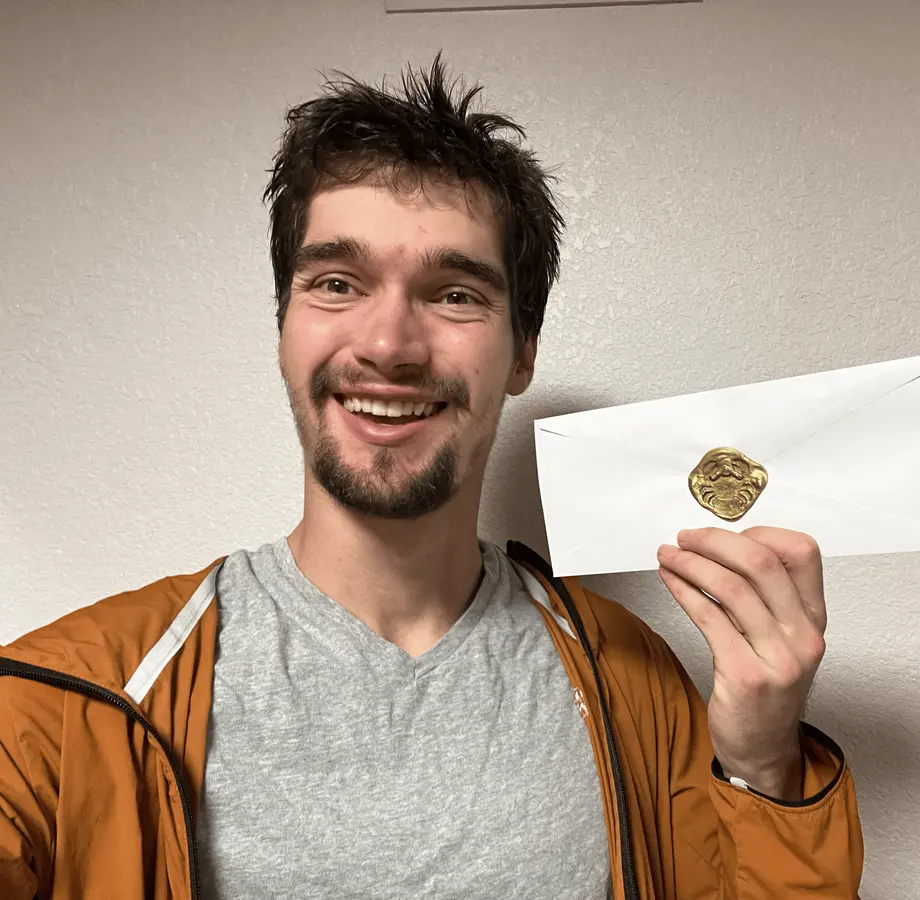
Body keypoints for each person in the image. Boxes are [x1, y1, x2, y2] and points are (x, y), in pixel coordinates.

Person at [0, 57, 863, 899]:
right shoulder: (67, 702)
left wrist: (762, 763)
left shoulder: (632, 681)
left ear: (522, 353)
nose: (388, 345)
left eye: (455, 294)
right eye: (337, 283)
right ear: (284, 329)